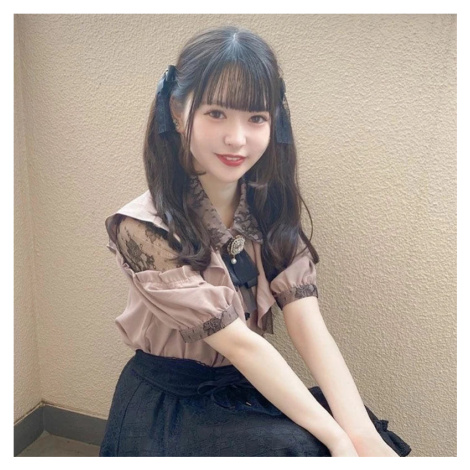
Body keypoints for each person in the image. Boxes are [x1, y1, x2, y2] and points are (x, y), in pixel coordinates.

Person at [99, 25, 411, 457]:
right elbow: (240, 344)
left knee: (366, 434)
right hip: (172, 406)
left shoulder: (267, 211)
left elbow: (308, 325)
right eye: (216, 113)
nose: (237, 138)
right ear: (177, 111)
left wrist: (360, 437)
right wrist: (339, 441)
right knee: (311, 448)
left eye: (256, 118)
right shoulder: (143, 228)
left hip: (242, 388)